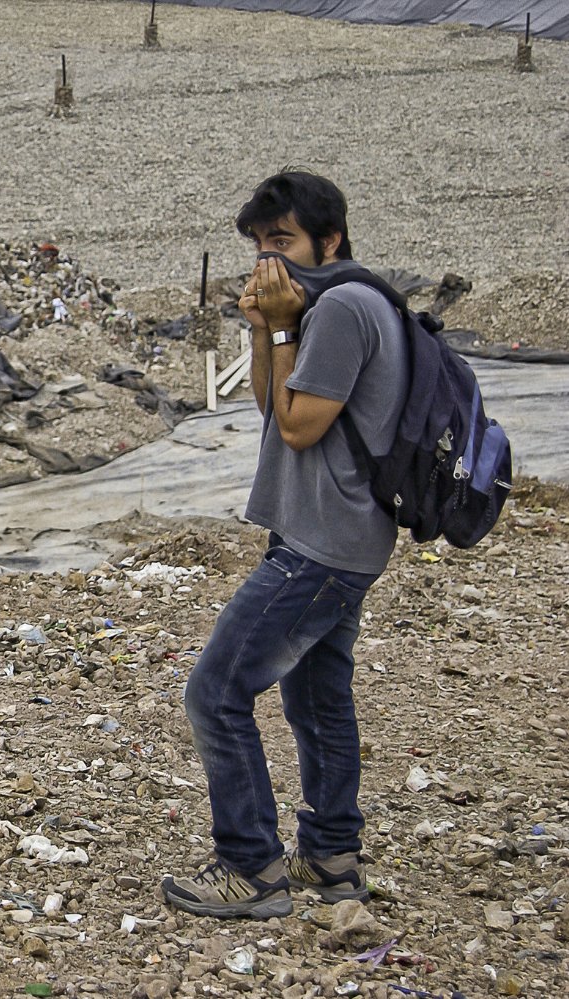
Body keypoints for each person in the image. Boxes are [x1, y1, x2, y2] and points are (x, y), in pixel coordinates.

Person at [160, 171, 408, 919]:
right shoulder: (319, 305)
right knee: (317, 696)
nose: (272, 259)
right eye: (262, 245)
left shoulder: (346, 308)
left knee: (216, 690)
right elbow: (273, 401)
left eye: (285, 242)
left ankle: (251, 868)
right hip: (330, 536)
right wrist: (268, 324)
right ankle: (332, 857)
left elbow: (301, 428)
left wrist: (281, 322)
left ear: (329, 241)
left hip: (322, 545)